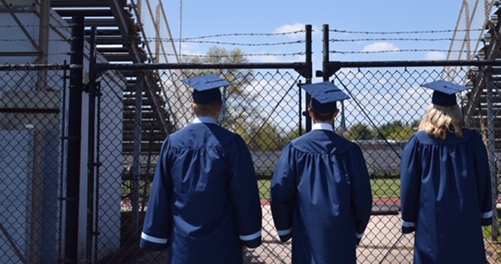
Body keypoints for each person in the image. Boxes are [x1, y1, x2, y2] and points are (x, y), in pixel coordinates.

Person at [140, 73, 262, 263]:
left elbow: (161, 193)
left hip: (183, 244)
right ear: (219, 108)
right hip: (224, 244)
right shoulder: (232, 143)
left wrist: (156, 234)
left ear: (192, 106)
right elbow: (244, 193)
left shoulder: (173, 143)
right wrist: (248, 235)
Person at [270, 81, 372, 264]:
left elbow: (280, 193)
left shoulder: (295, 149)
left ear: (310, 112)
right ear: (336, 114)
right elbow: (362, 197)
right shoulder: (350, 151)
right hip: (342, 236)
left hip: (306, 235)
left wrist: (285, 229)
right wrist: (356, 232)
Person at [400, 80, 493, 264]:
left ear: (431, 110)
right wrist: (484, 213)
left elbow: (409, 184)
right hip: (466, 219)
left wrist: (408, 219)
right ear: (456, 109)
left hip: (430, 221)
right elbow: (483, 179)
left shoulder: (418, 142)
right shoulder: (472, 140)